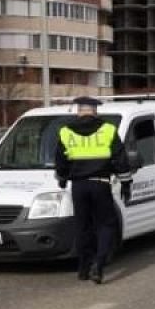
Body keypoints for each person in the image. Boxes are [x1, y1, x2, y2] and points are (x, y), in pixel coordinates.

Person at [54, 96, 132, 284]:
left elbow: (60, 161)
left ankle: (83, 268)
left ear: (78, 111)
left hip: (78, 187)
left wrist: (63, 179)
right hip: (100, 183)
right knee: (106, 224)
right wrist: (126, 183)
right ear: (95, 111)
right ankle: (99, 264)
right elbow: (121, 160)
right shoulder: (108, 130)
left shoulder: (65, 132)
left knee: (82, 227)